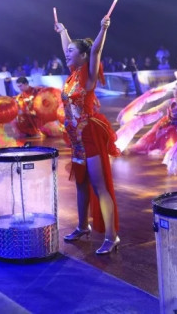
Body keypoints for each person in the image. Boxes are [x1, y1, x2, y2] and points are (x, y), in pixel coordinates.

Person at [54, 15, 120, 255]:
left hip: (89, 134)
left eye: (71, 51)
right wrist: (63, 31)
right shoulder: (73, 75)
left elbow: (96, 50)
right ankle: (83, 226)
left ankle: (112, 236)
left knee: (99, 186)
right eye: (67, 51)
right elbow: (67, 46)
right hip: (75, 138)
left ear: (83, 55)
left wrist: (103, 29)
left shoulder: (88, 75)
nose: (67, 53)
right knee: (81, 184)